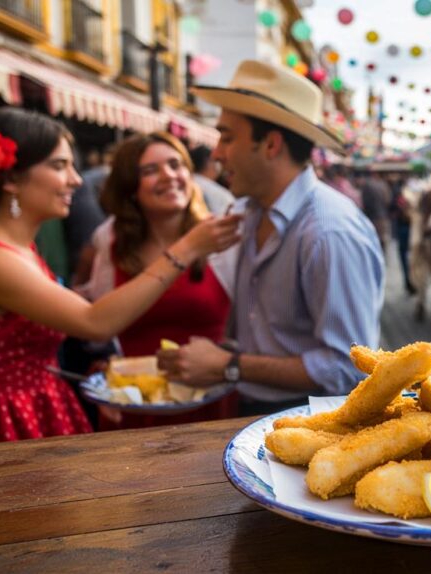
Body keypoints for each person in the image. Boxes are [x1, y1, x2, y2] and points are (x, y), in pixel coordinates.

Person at [0, 108, 242, 447]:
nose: (76, 180)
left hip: (34, 410)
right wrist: (186, 249)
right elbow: (95, 322)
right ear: (11, 178)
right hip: (10, 423)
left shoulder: (15, 249)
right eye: (59, 165)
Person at [158, 60, 384, 414]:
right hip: (253, 409)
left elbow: (348, 368)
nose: (216, 153)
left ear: (271, 145)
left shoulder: (328, 232)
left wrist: (228, 364)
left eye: (227, 137)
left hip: (310, 420)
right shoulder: (248, 212)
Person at [77, 132, 238, 429]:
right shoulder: (111, 240)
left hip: (211, 404)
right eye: (150, 171)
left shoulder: (221, 237)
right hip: (135, 405)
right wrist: (108, 368)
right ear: (130, 188)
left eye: (176, 165)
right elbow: (99, 327)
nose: (169, 176)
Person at [188, 144, 236, 215]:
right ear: (209, 162)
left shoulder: (181, 184)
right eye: (217, 160)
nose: (220, 165)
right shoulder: (221, 195)